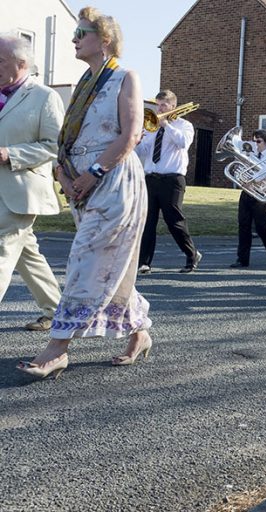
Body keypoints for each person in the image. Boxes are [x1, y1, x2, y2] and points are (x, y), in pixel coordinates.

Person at [17, 7, 151, 379]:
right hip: (81, 186)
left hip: (114, 181)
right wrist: (64, 175)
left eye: (82, 33)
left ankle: (57, 348)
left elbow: (130, 135)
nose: (75, 39)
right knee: (112, 266)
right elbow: (69, 138)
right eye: (75, 34)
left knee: (84, 261)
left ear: (104, 39)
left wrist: (94, 172)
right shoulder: (83, 83)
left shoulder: (126, 77)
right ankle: (139, 332)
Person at [0, 33, 63, 332]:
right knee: (27, 253)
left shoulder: (45, 97)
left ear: (21, 63)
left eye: (0, 61)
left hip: (21, 190)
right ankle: (57, 311)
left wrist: (10, 154)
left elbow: (53, 145)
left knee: (2, 249)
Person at [135, 89, 202, 274]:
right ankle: (145, 262)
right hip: (151, 178)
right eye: (157, 105)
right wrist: (138, 141)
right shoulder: (151, 127)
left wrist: (166, 125)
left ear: (173, 106)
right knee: (148, 222)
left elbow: (183, 143)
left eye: (163, 105)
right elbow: (141, 153)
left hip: (172, 180)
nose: (159, 108)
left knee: (174, 221)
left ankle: (191, 254)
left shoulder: (184, 125)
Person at [230, 129, 266, 268]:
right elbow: (240, 169)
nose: (256, 144)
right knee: (243, 225)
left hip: (263, 194)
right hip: (247, 192)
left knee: (261, 227)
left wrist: (251, 178)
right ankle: (242, 259)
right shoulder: (249, 153)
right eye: (254, 141)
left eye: (258, 141)